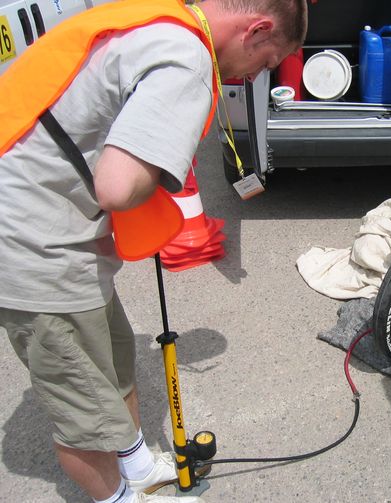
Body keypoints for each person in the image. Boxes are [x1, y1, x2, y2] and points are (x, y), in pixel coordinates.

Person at [0, 0, 307, 502]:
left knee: (115, 357)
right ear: (257, 30)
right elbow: (119, 188)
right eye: (269, 62)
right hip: (32, 246)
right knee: (86, 417)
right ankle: (119, 497)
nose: (257, 75)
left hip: (55, 224)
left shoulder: (158, 18)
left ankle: (138, 470)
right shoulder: (187, 57)